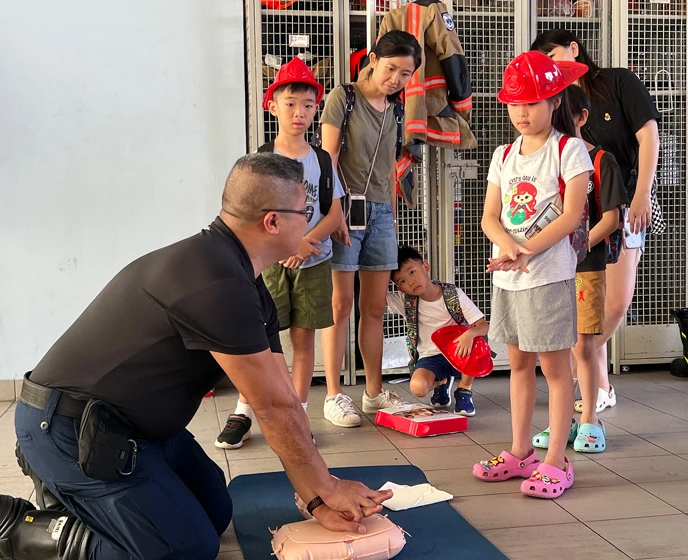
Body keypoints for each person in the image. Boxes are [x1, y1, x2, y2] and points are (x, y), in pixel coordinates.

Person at [3, 153, 392, 560]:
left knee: (215, 511)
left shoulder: (246, 279)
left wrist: (316, 501)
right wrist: (328, 486)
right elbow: (274, 407)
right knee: (184, 550)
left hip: (142, 431)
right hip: (71, 427)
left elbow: (281, 401)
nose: (312, 222)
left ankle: (85, 500)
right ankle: (22, 530)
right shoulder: (216, 281)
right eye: (305, 212)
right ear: (272, 221)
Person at [472, 51, 592, 499]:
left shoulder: (569, 149)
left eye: (533, 102)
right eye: (514, 103)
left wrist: (522, 251)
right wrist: (508, 250)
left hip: (548, 277)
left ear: (554, 101)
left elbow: (571, 216)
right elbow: (488, 216)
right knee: (518, 364)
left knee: (556, 369)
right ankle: (521, 451)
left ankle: (556, 459)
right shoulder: (503, 155)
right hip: (509, 278)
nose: (522, 112)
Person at [215, 58, 344, 449]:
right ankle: (244, 412)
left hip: (313, 260)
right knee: (258, 342)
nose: (299, 113)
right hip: (267, 265)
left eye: (307, 105)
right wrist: (287, 245)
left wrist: (304, 242)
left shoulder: (321, 159)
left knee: (304, 341)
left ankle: (299, 414)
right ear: (272, 106)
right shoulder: (258, 160)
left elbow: (334, 211)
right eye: (290, 103)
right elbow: (249, 214)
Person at [531, 30, 661, 414]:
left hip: (622, 203)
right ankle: (598, 385)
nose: (552, 66)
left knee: (616, 304)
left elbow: (649, 136)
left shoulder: (618, 81)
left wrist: (641, 194)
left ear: (574, 48)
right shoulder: (554, 99)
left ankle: (579, 365)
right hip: (568, 217)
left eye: (554, 56)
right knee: (580, 302)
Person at [319, 30, 423, 428]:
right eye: (391, 67)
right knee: (340, 304)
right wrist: (335, 213)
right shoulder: (343, 98)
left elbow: (388, 166)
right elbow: (327, 159)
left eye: (406, 73)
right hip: (344, 209)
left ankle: (374, 392)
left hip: (381, 213)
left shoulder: (397, 109)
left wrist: (391, 211)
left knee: (375, 307)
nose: (396, 78)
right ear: (374, 58)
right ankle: (332, 394)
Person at [532, 85, 628, 454]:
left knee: (583, 346)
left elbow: (611, 218)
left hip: (584, 265)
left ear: (581, 118)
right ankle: (562, 422)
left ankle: (590, 418)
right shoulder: (539, 161)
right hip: (547, 267)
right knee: (554, 348)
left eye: (560, 117)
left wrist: (577, 244)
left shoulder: (602, 161)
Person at [386, 246, 488, 417]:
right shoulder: (405, 301)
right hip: (430, 357)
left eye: (412, 272)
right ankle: (442, 382)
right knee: (417, 388)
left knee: (478, 340)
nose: (410, 282)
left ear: (425, 267)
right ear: (400, 288)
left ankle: (464, 389)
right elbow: (375, 295)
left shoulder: (452, 294)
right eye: (401, 281)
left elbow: (483, 325)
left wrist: (469, 334)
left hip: (459, 350)